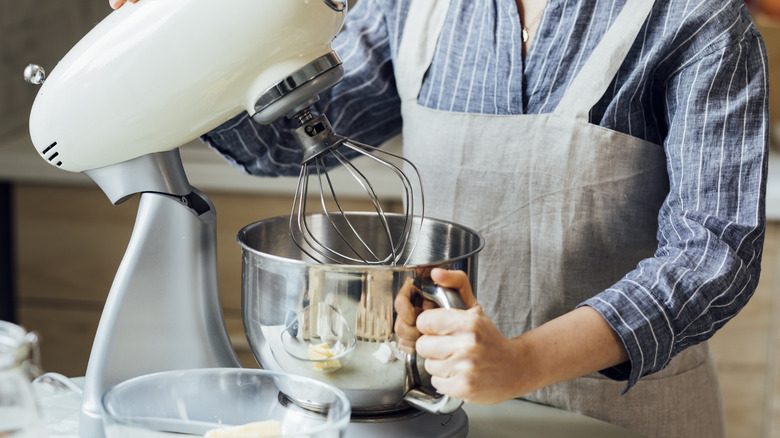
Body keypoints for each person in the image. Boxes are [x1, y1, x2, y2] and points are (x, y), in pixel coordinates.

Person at [113, 0, 769, 436]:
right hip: (437, 414)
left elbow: (714, 252)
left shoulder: (699, 20)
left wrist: (522, 361)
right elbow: (283, 140)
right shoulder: (415, 5)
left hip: (627, 417)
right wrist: (180, 52)